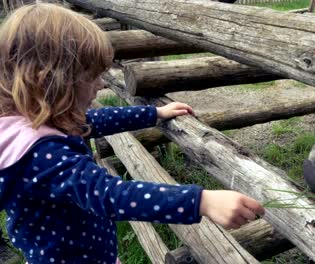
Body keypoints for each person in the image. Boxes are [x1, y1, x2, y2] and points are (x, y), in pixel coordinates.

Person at [0, 3, 265, 263]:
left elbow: (94, 120)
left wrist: (153, 114)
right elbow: (109, 195)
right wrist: (201, 201)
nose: (101, 83)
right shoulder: (40, 154)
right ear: (50, 80)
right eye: (91, 76)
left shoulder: (36, 122)